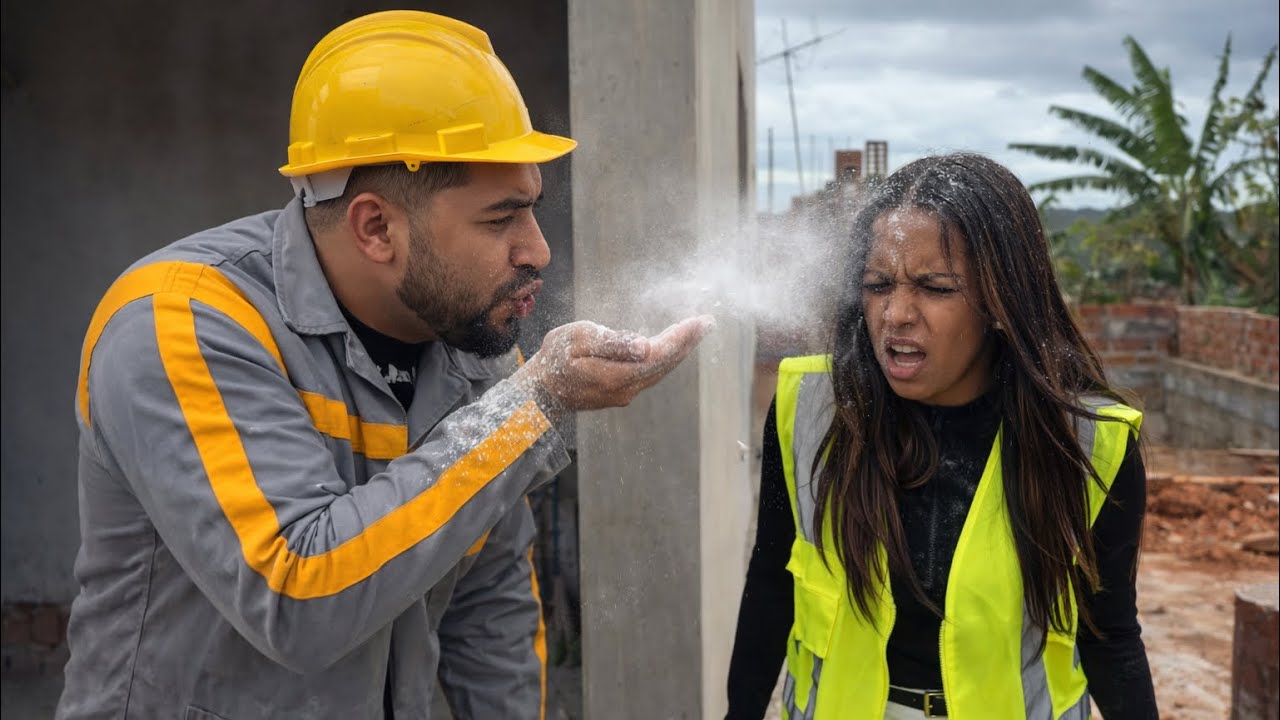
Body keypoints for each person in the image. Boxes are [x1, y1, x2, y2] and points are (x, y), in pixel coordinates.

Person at [57, 11, 711, 719]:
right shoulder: (180, 320)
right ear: (375, 227)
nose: (537, 251)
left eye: (534, 211)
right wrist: (534, 408)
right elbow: (297, 596)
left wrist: (520, 406)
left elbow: (489, 617)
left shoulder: (476, 356)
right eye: (501, 219)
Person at [725, 153, 1157, 719]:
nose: (895, 314)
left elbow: (1111, 635)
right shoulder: (809, 409)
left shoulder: (1086, 446)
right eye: (878, 284)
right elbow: (770, 586)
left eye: (935, 287)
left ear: (1002, 302)